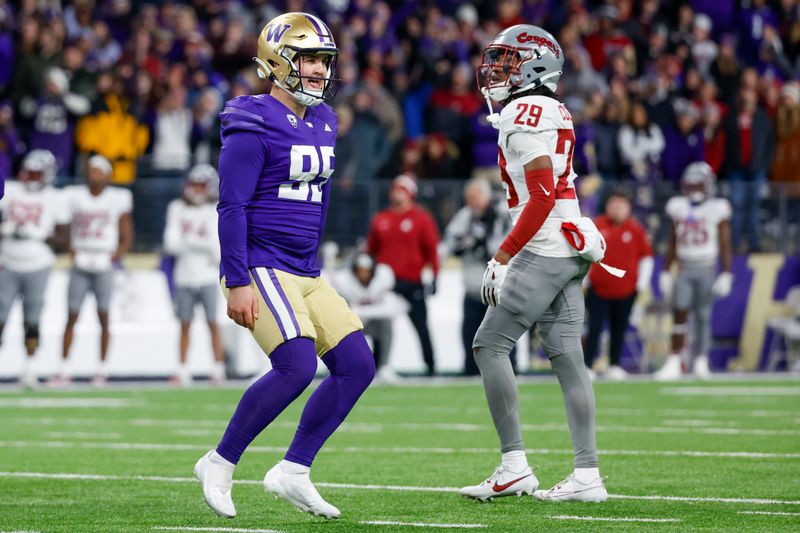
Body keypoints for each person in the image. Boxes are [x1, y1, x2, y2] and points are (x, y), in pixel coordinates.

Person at [193, 13, 375, 520]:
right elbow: (231, 206)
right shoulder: (252, 118)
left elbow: (317, 196)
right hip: (263, 262)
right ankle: (219, 460)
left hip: (305, 267)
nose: (318, 70)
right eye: (308, 58)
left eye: (323, 60)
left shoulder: (324, 119)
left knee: (358, 365)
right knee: (295, 366)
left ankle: (293, 470)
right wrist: (236, 279)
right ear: (277, 61)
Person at [459, 24, 608, 503]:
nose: (497, 70)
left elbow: (541, 193)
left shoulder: (522, 113)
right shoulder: (554, 109)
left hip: (542, 245)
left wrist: (503, 255)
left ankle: (513, 465)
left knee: (488, 345)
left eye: (507, 61)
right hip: (574, 243)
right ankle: (587, 474)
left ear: (535, 65)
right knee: (568, 358)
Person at [51, 155, 133, 387]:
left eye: (98, 171)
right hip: (81, 260)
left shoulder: (118, 198)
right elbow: (63, 226)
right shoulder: (74, 196)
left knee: (104, 316)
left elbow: (126, 231)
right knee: (71, 315)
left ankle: (102, 369)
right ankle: (64, 368)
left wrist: (118, 253)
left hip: (103, 261)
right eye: (91, 170)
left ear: (107, 175)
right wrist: (69, 247)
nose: (93, 174)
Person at [656, 162, 733, 380]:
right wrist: (664, 270)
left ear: (708, 185)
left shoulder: (717, 207)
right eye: (690, 185)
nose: (694, 189)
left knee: (703, 316)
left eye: (698, 184)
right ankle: (674, 360)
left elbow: (726, 243)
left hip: (706, 266)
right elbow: (672, 241)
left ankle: (701, 360)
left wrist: (727, 272)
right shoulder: (678, 206)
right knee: (679, 313)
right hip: (684, 267)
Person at [0, 150, 68, 387]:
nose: (30, 178)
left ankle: (30, 367)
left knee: (32, 320)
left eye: (36, 173)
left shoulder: (55, 198)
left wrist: (40, 235)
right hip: (6, 263)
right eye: (28, 172)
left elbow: (64, 240)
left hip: (38, 265)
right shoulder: (10, 191)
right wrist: (4, 228)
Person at [366, 174, 440, 375]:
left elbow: (432, 250)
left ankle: (431, 366)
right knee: (382, 324)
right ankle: (378, 365)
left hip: (412, 282)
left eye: (401, 190)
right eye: (395, 189)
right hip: (387, 283)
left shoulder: (422, 219)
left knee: (421, 326)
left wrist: (435, 276)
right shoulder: (381, 219)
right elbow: (370, 251)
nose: (396, 193)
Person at [441, 177, 511, 375]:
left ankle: (507, 370)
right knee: (470, 332)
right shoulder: (466, 216)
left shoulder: (501, 214)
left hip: (497, 287)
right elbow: (449, 243)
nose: (471, 202)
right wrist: (468, 243)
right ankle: (470, 369)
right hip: (473, 287)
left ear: (485, 196)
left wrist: (480, 242)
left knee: (502, 332)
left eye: (474, 197)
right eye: (468, 198)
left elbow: (504, 246)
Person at [163, 164, 224, 386]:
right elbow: (170, 244)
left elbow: (216, 249)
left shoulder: (216, 210)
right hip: (185, 275)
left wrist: (189, 242)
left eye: (201, 186)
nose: (196, 190)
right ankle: (182, 369)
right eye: (194, 185)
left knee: (212, 323)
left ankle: (218, 369)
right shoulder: (177, 208)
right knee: (184, 324)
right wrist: (200, 245)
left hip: (207, 276)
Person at [584, 190, 653, 380]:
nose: (617, 208)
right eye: (613, 204)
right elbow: (584, 253)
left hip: (626, 290)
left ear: (628, 208)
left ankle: (614, 364)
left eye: (621, 204)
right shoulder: (596, 226)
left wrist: (641, 285)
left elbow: (646, 257)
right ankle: (588, 365)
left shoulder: (636, 229)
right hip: (598, 289)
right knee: (594, 328)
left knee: (619, 328)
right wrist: (585, 280)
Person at [331, 252, 406, 382]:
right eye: (360, 270)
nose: (363, 274)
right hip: (350, 324)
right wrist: (366, 310)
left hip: (371, 322)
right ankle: (344, 367)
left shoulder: (383, 277)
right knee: (338, 327)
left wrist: (362, 311)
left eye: (367, 271)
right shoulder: (342, 280)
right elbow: (342, 311)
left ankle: (383, 366)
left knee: (386, 324)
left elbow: (390, 310)